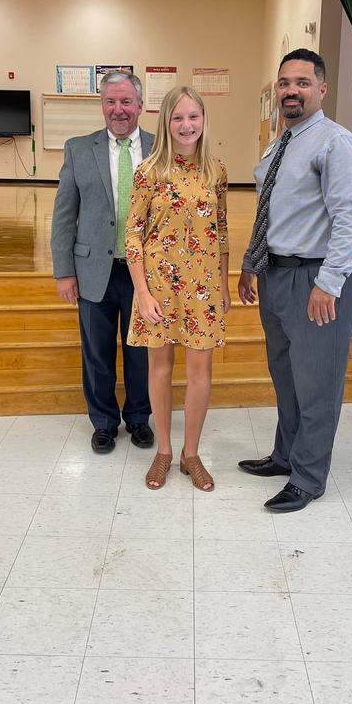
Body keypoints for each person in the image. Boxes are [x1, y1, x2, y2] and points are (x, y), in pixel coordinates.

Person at [237, 48, 352, 513]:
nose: (291, 90)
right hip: (277, 275)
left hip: (317, 279)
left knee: (317, 384)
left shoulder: (336, 143)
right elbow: (271, 211)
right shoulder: (280, 143)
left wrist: (329, 283)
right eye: (285, 83)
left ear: (322, 89)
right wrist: (253, 263)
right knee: (287, 377)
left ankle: (309, 478)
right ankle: (284, 456)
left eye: (302, 82)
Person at [125, 86, 230, 491]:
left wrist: (222, 286)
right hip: (158, 286)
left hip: (203, 286)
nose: (187, 125)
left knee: (200, 370)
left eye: (194, 117)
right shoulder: (149, 171)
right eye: (178, 118)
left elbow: (221, 232)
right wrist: (142, 293)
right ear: (166, 123)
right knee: (161, 367)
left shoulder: (216, 171)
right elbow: (133, 236)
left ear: (203, 120)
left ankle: (191, 454)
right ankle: (164, 452)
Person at [51, 70, 155, 454]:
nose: (118, 109)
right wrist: (64, 271)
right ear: (102, 106)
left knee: (141, 352)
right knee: (96, 352)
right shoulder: (78, 149)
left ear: (141, 106)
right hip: (94, 269)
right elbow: (64, 214)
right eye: (110, 102)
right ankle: (104, 422)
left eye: (126, 101)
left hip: (144, 275)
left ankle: (140, 418)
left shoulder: (161, 149)